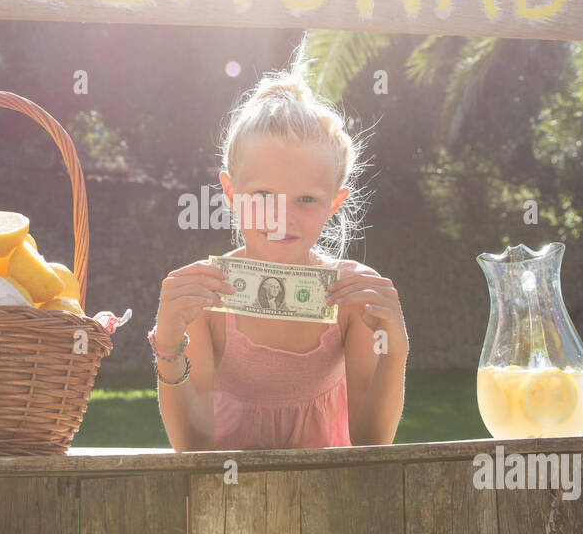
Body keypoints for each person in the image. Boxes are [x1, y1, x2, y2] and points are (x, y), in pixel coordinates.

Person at [149, 40, 408, 451]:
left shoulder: (351, 298)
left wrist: (396, 351)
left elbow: (370, 442)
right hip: (227, 504)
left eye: (305, 199)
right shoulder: (207, 298)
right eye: (263, 196)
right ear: (231, 194)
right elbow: (191, 446)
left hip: (328, 503)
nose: (281, 219)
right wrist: (167, 345)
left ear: (333, 204)